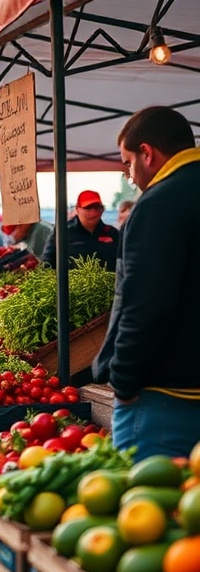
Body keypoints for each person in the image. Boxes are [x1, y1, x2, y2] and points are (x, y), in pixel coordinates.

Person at [92, 106, 200, 459]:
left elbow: (146, 305)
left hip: (168, 396)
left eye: (126, 163)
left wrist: (123, 379)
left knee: (153, 506)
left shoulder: (157, 204)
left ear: (147, 153)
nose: (128, 175)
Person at [40, 190, 119, 271]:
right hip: (71, 283)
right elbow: (47, 263)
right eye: (88, 208)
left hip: (108, 282)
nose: (93, 213)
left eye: (96, 208)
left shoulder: (113, 233)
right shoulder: (62, 231)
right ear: (77, 209)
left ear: (102, 210)